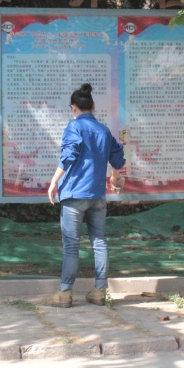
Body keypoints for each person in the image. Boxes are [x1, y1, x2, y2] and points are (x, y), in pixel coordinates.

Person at [46, 83, 125, 308]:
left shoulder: (74, 126)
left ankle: (64, 294)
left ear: (74, 107)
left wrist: (54, 181)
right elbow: (117, 158)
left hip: (74, 195)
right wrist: (114, 178)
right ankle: (99, 292)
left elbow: (69, 155)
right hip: (97, 196)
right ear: (93, 106)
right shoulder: (104, 130)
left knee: (71, 245)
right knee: (99, 242)